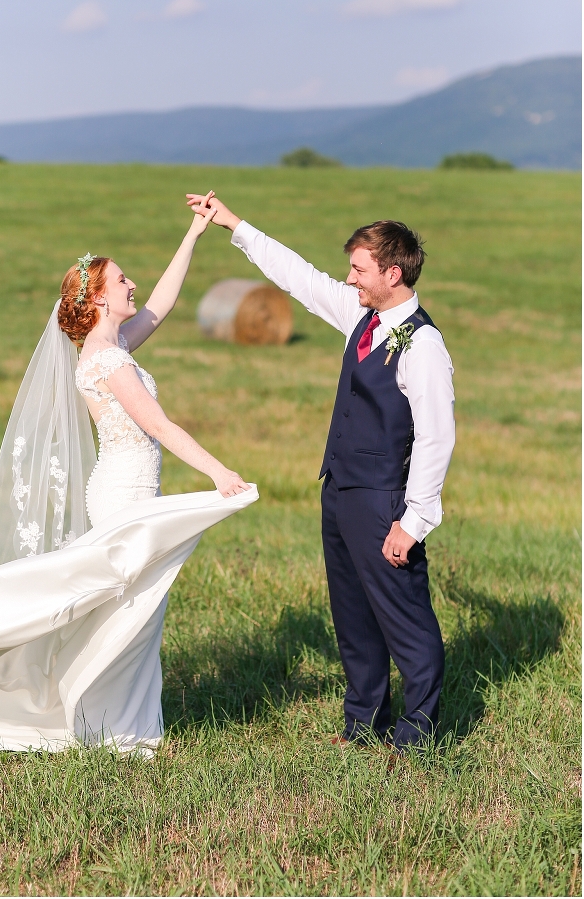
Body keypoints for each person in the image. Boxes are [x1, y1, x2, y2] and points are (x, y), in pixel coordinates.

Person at [0, 198, 256, 755]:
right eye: (122, 280)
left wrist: (195, 232)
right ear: (97, 297)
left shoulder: (111, 345)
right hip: (125, 494)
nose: (132, 284)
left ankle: (120, 725)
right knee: (130, 612)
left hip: (131, 488)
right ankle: (112, 729)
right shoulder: (109, 361)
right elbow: (160, 426)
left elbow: (161, 307)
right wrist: (219, 471)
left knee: (136, 612)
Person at [187, 192, 454, 751]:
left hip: (385, 500)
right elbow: (299, 278)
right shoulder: (361, 316)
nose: (349, 277)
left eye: (360, 269)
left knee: (404, 618)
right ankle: (363, 726)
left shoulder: (423, 343)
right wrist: (235, 224)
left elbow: (436, 436)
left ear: (393, 272)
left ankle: (420, 733)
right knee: (353, 616)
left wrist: (415, 519)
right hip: (339, 491)